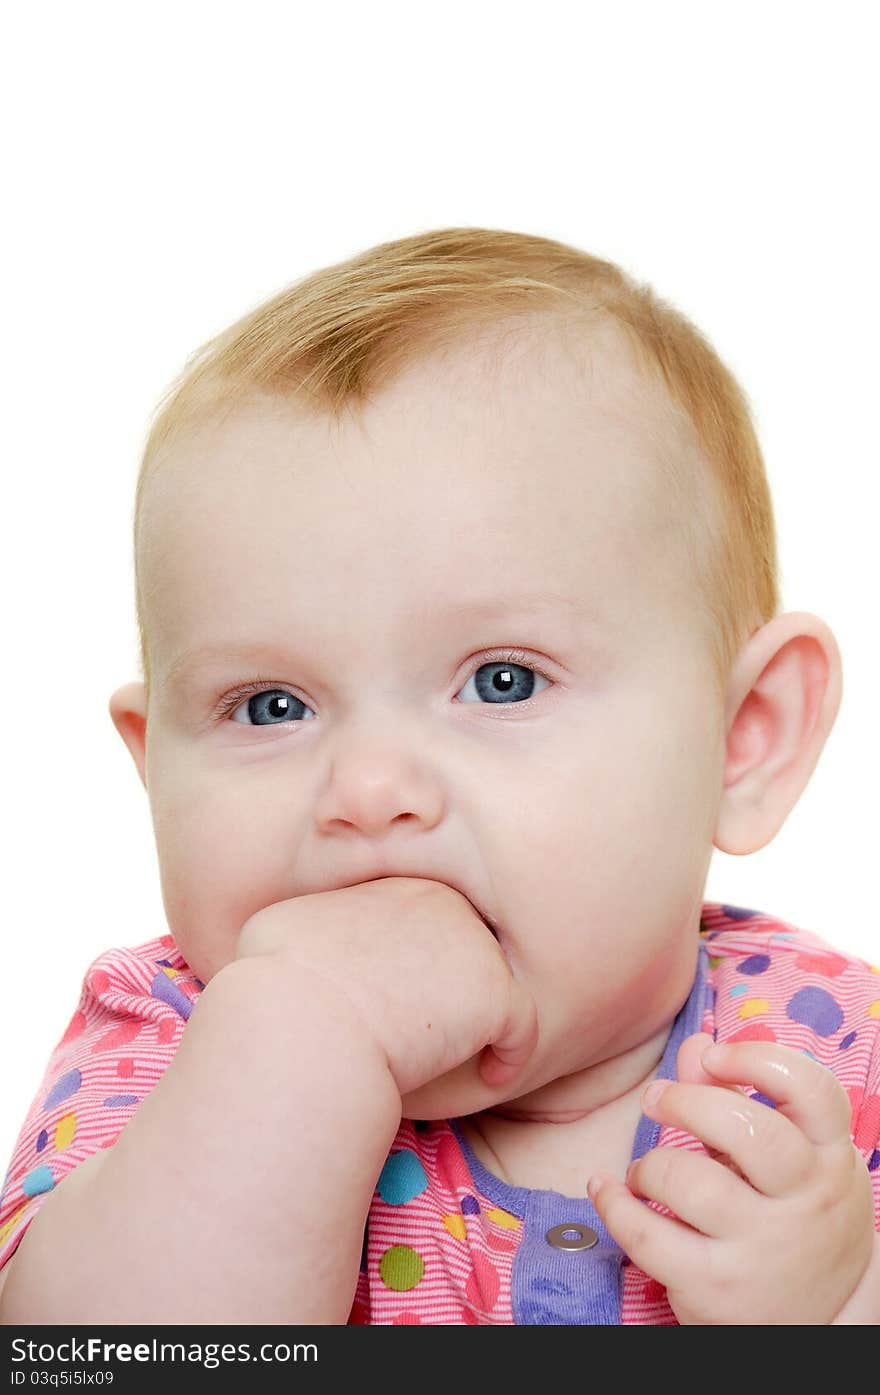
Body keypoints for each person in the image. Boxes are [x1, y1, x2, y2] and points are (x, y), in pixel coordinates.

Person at [0, 227, 877, 1326]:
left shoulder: (831, 1047)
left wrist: (837, 1305)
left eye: (501, 681)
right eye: (270, 707)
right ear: (154, 769)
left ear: (744, 735)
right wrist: (302, 1033)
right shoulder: (172, 1041)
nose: (368, 790)